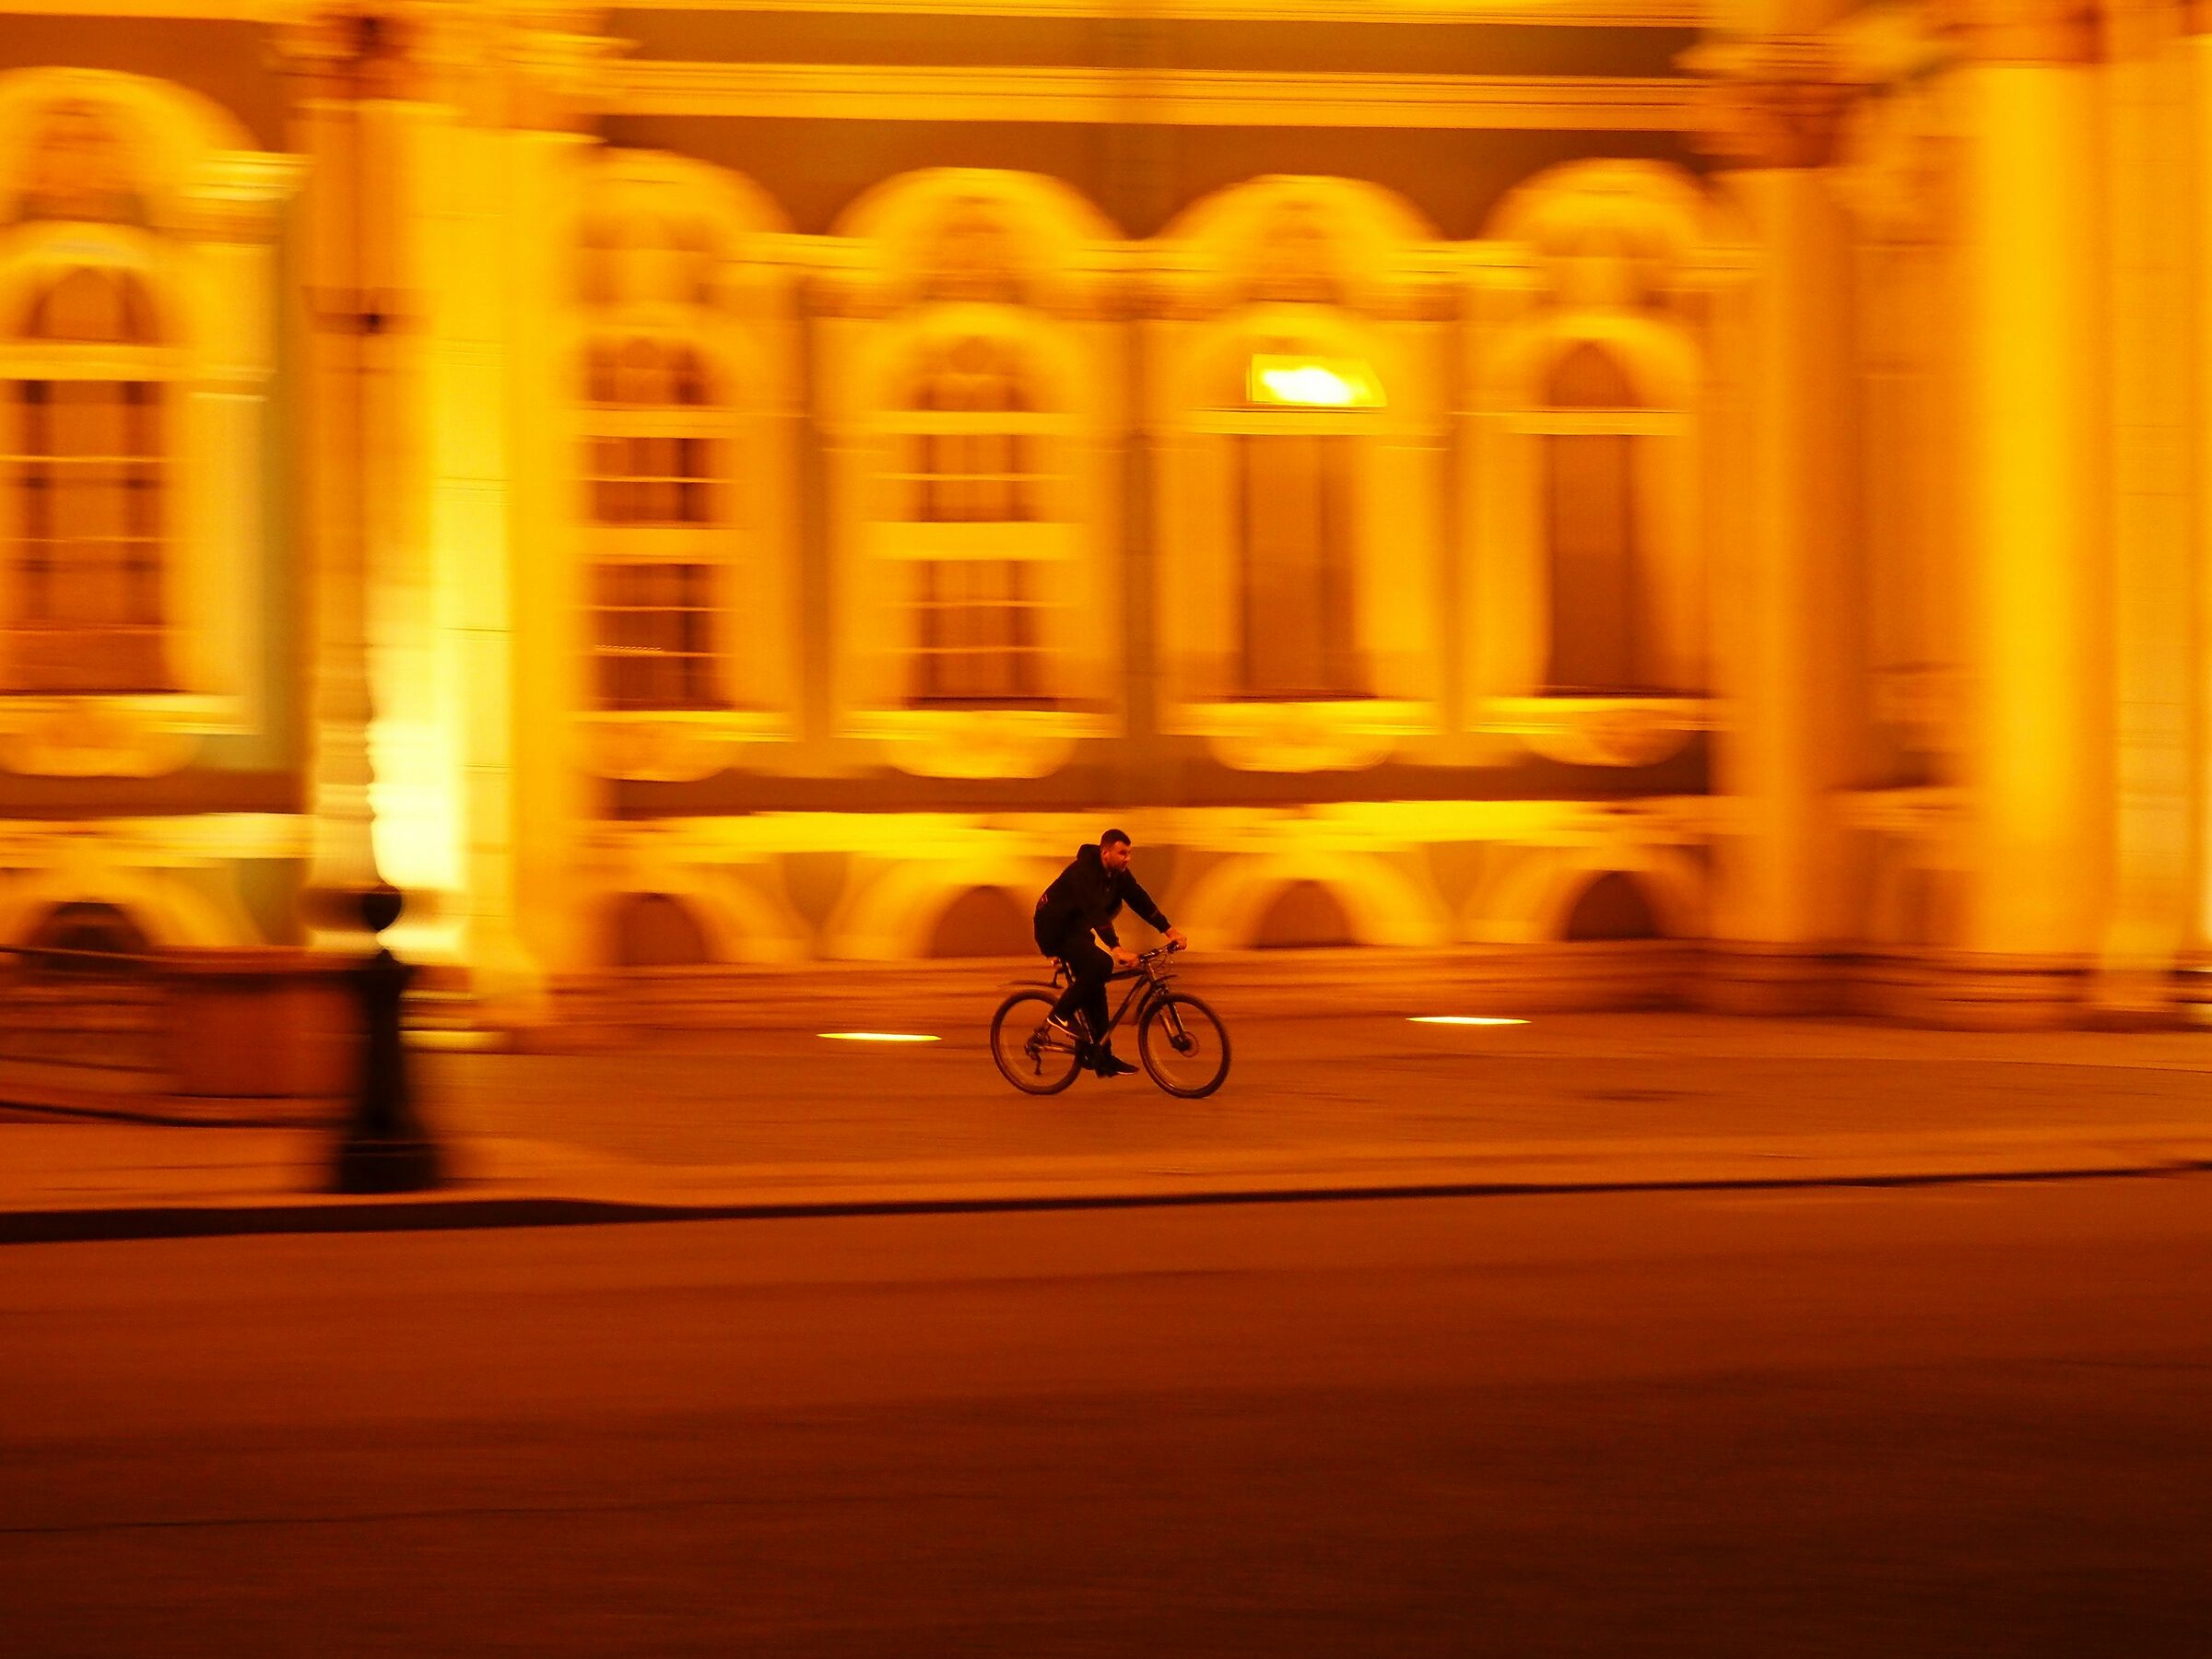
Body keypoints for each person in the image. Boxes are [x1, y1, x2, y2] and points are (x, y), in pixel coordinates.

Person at [1033, 829, 1187, 1077]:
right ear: (1106, 852)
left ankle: (1103, 1057)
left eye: (1130, 853)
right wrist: (1117, 948)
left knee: (1097, 985)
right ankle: (1059, 1015)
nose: (1128, 858)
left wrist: (1169, 931)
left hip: (1077, 929)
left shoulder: (1118, 874)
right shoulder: (1084, 872)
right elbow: (1095, 910)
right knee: (1101, 963)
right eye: (1122, 853)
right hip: (1054, 929)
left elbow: (1139, 899)